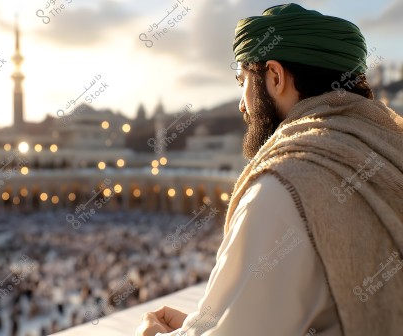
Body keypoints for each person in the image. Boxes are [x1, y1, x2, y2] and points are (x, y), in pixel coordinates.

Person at [136, 3, 403, 336]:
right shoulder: (390, 147)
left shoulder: (285, 185)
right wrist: (204, 321)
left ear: (275, 77)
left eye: (242, 82)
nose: (241, 104)